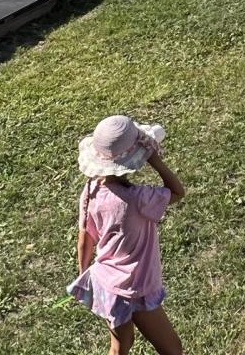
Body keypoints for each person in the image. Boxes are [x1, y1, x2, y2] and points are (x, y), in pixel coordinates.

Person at [69, 115, 185, 355]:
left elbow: (84, 240)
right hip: (134, 288)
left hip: (105, 284)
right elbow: (177, 192)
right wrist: (155, 158)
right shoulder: (139, 198)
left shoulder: (90, 190)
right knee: (172, 349)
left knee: (120, 346)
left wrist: (83, 275)